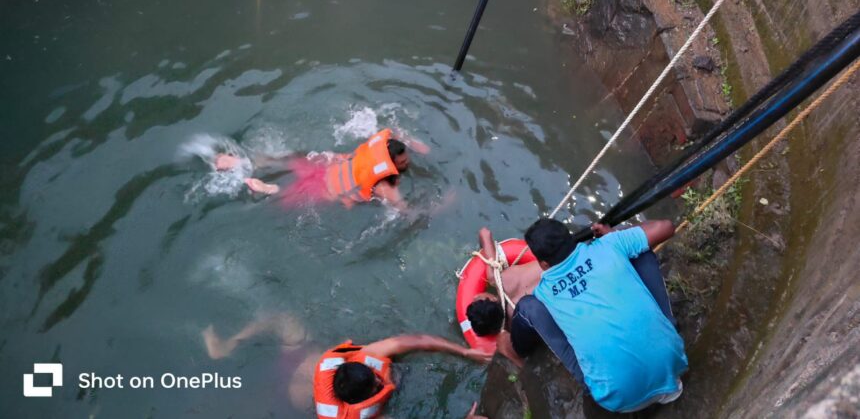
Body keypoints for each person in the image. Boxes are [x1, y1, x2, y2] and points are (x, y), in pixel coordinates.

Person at [509, 218, 688, 414]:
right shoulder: (610, 244)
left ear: (543, 264)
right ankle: (667, 329)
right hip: (672, 367)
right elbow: (666, 227)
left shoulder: (544, 293)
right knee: (640, 248)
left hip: (618, 400)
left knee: (528, 307)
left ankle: (516, 349)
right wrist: (613, 234)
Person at [202, 314, 490, 418]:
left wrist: (465, 352)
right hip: (297, 395)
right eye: (377, 384)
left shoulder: (364, 357)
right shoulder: (363, 417)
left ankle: (226, 345)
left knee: (283, 319)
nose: (380, 380)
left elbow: (414, 340)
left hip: (300, 361)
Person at [214, 128, 429, 210]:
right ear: (389, 161)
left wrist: (412, 143)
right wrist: (440, 208)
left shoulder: (379, 148)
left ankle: (241, 162)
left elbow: (393, 135)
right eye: (402, 163)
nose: (406, 163)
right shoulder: (385, 186)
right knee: (289, 193)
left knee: (285, 160)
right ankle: (269, 189)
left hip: (324, 165)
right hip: (323, 190)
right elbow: (406, 212)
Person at [465, 227, 542, 336]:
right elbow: (484, 233)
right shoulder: (498, 278)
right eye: (476, 300)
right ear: (492, 298)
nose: (474, 297)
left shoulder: (515, 325)